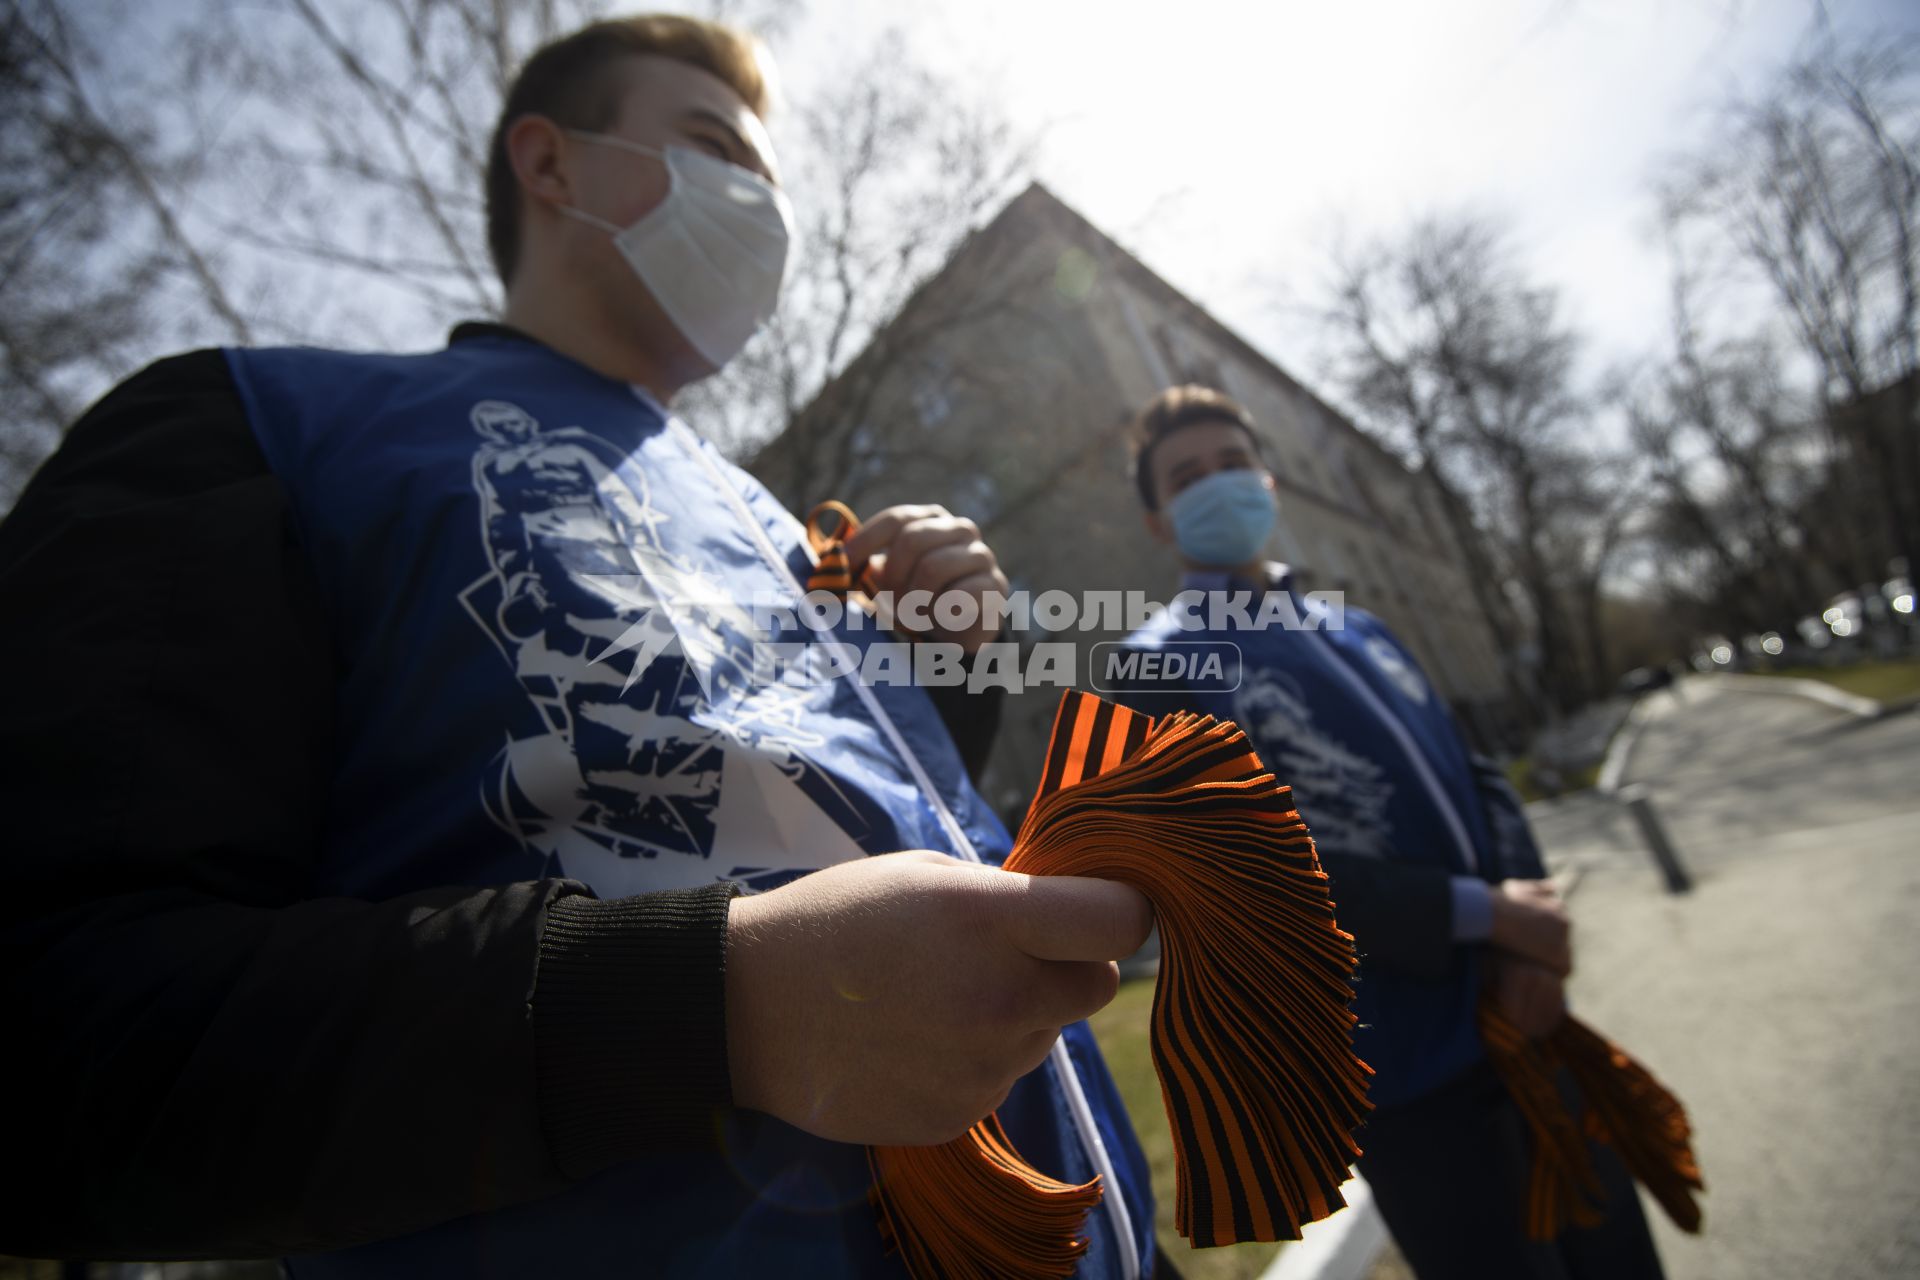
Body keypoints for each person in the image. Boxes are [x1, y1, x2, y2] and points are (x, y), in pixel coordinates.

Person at [0, 16, 1161, 1278]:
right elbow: (60, 1022)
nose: (762, 209)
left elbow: (824, 837)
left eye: (775, 181)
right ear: (549, 164)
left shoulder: (784, 528)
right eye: (718, 147)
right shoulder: (259, 427)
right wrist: (717, 1006)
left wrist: (936, 677)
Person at [1107, 386, 1667, 1280]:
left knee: (1619, 1261)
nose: (1217, 485)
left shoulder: (1357, 626)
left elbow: (1476, 769)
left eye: (1231, 464)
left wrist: (1526, 932)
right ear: (1158, 522)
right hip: (1410, 1073)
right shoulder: (1155, 669)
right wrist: (1477, 914)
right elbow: (1252, 873)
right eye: (1186, 478)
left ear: (1269, 481)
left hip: (1526, 1010)